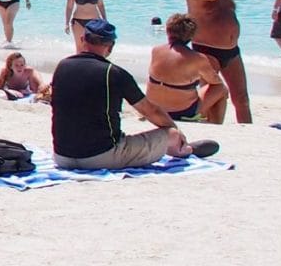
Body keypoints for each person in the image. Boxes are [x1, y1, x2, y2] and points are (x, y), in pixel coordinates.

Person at [48, 19, 219, 169]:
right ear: (111, 46)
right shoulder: (114, 73)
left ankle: (179, 145)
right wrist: (175, 129)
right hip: (101, 157)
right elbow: (150, 111)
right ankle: (183, 148)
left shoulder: (62, 66)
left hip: (62, 156)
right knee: (170, 135)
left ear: (82, 39)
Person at [185, 0, 266, 124]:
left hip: (232, 50)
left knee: (242, 99)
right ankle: (199, 127)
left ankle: (247, 133)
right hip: (206, 50)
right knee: (210, 96)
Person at [145, 13, 228, 123]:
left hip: (153, 108)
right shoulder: (198, 58)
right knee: (221, 89)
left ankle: (205, 120)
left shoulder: (156, 50)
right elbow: (216, 82)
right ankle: (214, 125)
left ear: (168, 31)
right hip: (181, 112)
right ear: (191, 35)